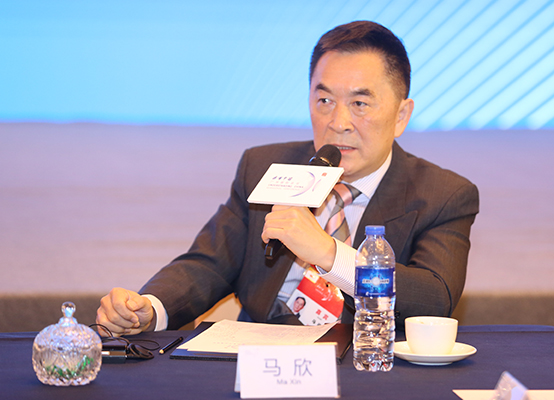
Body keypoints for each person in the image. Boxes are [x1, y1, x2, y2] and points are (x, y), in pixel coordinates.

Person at [96, 20, 479, 336]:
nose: (338, 122)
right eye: (324, 100)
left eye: (360, 104)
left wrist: (328, 253)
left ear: (400, 116)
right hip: (257, 357)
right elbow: (210, 263)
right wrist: (150, 308)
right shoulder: (265, 166)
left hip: (363, 367)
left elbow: (434, 298)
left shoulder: (443, 195)